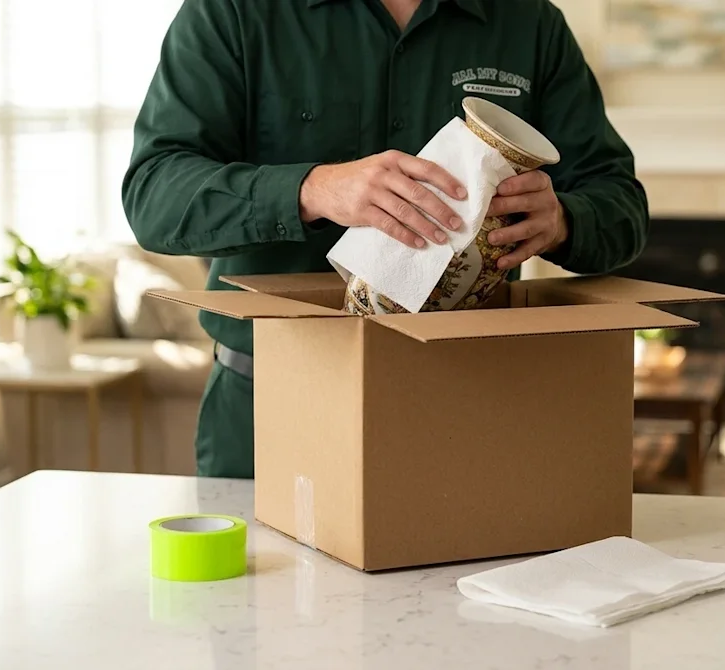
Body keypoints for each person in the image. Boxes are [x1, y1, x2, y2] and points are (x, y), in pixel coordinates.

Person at [123, 0, 649, 479]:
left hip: (468, 404)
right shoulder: (232, 11)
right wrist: (311, 189)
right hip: (271, 401)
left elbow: (622, 205)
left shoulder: (530, 23)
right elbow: (154, 197)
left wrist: (562, 221)